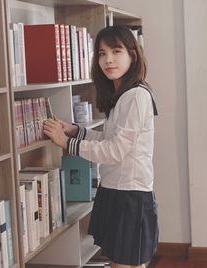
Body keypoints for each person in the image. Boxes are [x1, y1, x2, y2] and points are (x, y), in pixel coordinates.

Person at [43, 25, 159, 268]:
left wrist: (68, 144)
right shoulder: (123, 95)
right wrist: (77, 132)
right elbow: (108, 140)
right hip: (116, 191)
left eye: (116, 51)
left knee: (126, 264)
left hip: (130, 195)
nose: (108, 60)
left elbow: (114, 152)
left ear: (132, 55)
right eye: (102, 53)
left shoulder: (137, 96)